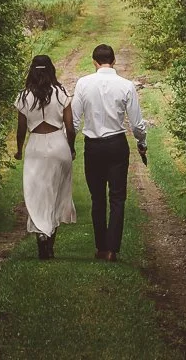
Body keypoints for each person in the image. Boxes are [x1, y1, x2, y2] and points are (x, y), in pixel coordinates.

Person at [70, 43, 146, 261]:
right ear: (114, 61)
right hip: (116, 144)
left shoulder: (83, 83)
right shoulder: (126, 85)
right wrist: (141, 143)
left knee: (97, 198)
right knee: (117, 197)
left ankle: (101, 246)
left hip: (93, 145)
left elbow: (75, 120)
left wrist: (70, 144)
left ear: (94, 62)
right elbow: (137, 122)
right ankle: (112, 248)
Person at [14, 54, 76, 259]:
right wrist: (71, 147)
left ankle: (42, 233)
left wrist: (19, 149)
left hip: (36, 146)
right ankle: (50, 242)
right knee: (57, 193)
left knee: (36, 193)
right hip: (58, 144)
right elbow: (70, 127)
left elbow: (21, 128)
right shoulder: (61, 94)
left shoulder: (24, 96)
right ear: (51, 70)